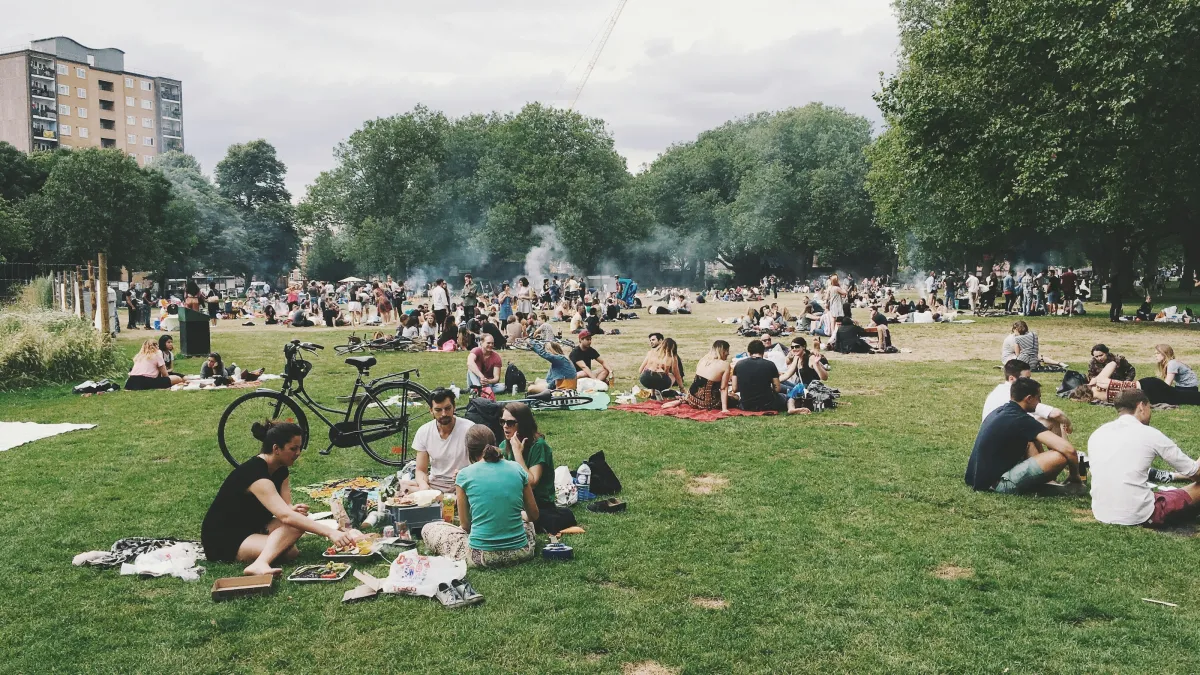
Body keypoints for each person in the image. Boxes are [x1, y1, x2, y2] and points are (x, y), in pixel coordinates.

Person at [201, 421, 363, 575]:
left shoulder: (281, 470)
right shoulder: (256, 475)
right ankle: (259, 564)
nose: (298, 453)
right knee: (288, 546)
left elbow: (287, 510)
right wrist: (330, 533)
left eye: (299, 448)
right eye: (293, 449)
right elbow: (285, 516)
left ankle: (265, 553)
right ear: (276, 448)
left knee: (291, 546)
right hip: (224, 539)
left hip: (253, 528)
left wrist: (293, 510)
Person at [421, 425, 539, 567]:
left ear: (469, 450)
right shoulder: (517, 468)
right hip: (521, 551)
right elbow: (534, 515)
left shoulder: (464, 475)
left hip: (481, 556)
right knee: (527, 524)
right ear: (495, 443)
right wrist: (522, 515)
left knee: (429, 528)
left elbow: (466, 526)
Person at [1088, 390, 1200, 527]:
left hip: (1101, 511)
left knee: (1167, 493)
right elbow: (1195, 474)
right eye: (1150, 407)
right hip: (1139, 515)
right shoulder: (1150, 434)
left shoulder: (1098, 433)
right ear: (1142, 406)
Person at [965, 378, 1081, 494]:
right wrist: (1075, 476)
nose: (1040, 401)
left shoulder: (1001, 410)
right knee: (1060, 456)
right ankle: (1046, 482)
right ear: (1029, 399)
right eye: (1038, 397)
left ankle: (1048, 479)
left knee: (1038, 435)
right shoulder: (1021, 420)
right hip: (996, 484)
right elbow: (1069, 450)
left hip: (976, 478)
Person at [499, 402, 576, 533]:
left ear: (522, 424)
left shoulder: (538, 446)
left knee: (548, 519)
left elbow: (532, 482)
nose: (505, 426)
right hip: (514, 502)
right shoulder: (504, 445)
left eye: (510, 423)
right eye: (503, 422)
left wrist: (518, 454)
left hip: (538, 503)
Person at [983, 359, 1073, 438]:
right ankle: (1064, 454)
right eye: (1026, 378)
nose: (1029, 381)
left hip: (993, 433)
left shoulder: (1000, 390)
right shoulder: (1015, 394)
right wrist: (1068, 424)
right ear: (1011, 378)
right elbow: (1056, 414)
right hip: (1002, 435)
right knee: (1052, 422)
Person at [414, 389, 475, 493]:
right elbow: (420, 470)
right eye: (438, 410)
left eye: (447, 408)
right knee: (402, 487)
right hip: (435, 484)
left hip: (463, 484)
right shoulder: (424, 431)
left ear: (454, 407)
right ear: (431, 410)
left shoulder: (470, 429)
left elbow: (480, 465)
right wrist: (424, 486)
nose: (444, 414)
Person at [664, 339, 732, 412]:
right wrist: (724, 409)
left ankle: (682, 400)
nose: (728, 354)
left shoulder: (703, 359)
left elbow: (698, 381)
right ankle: (682, 400)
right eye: (727, 351)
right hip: (707, 403)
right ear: (723, 351)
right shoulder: (725, 365)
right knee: (735, 397)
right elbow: (723, 388)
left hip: (691, 399)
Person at [732, 339, 784, 412]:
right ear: (763, 351)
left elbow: (734, 389)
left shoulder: (739, 365)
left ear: (749, 353)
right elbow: (777, 389)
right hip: (767, 404)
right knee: (785, 397)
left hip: (746, 405)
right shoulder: (770, 364)